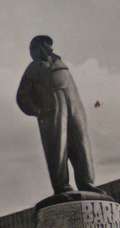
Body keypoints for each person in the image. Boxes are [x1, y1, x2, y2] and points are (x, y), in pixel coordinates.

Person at [16, 35, 104, 196]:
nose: (50, 47)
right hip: (53, 111)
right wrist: (36, 110)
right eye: (46, 44)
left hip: (74, 108)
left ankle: (86, 182)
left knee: (81, 143)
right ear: (38, 48)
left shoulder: (61, 64)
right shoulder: (34, 68)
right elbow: (22, 96)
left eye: (50, 44)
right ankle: (61, 185)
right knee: (57, 147)